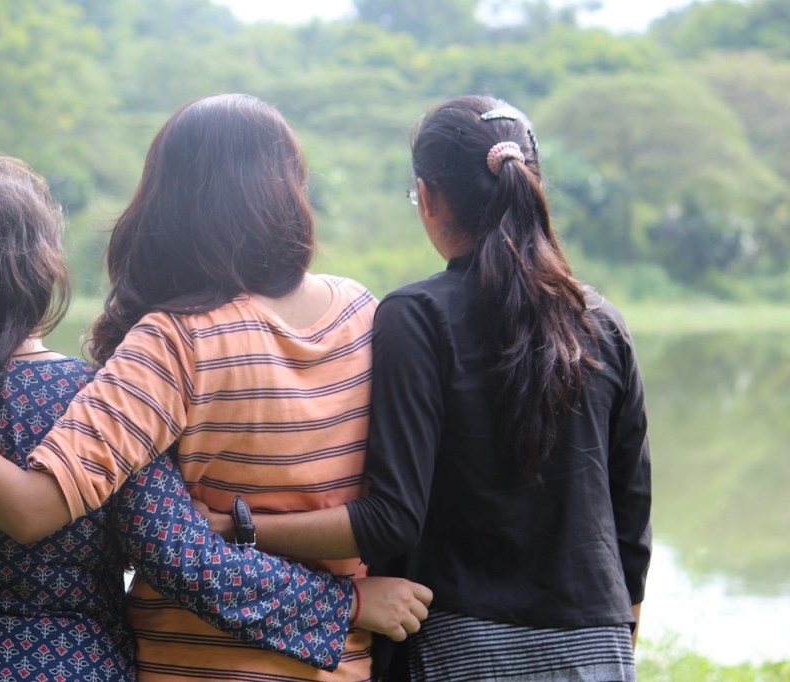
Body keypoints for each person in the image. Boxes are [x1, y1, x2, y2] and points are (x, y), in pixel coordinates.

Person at [0, 96, 432, 681]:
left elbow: (32, 512)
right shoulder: (362, 311)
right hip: (331, 660)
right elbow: (187, 548)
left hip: (188, 663)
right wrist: (349, 605)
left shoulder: (170, 346)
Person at [205, 95, 653, 680]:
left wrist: (238, 528)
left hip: (461, 647)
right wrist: (616, 641)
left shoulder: (417, 316)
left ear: (431, 197)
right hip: (597, 647)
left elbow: (391, 519)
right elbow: (632, 524)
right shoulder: (604, 322)